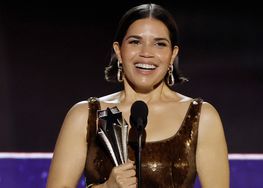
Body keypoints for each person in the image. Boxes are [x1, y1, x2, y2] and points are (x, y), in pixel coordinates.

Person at [47, 3, 229, 188]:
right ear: (118, 51)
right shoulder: (85, 115)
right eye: (135, 42)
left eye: (159, 44)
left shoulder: (201, 117)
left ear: (172, 55)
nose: (146, 53)